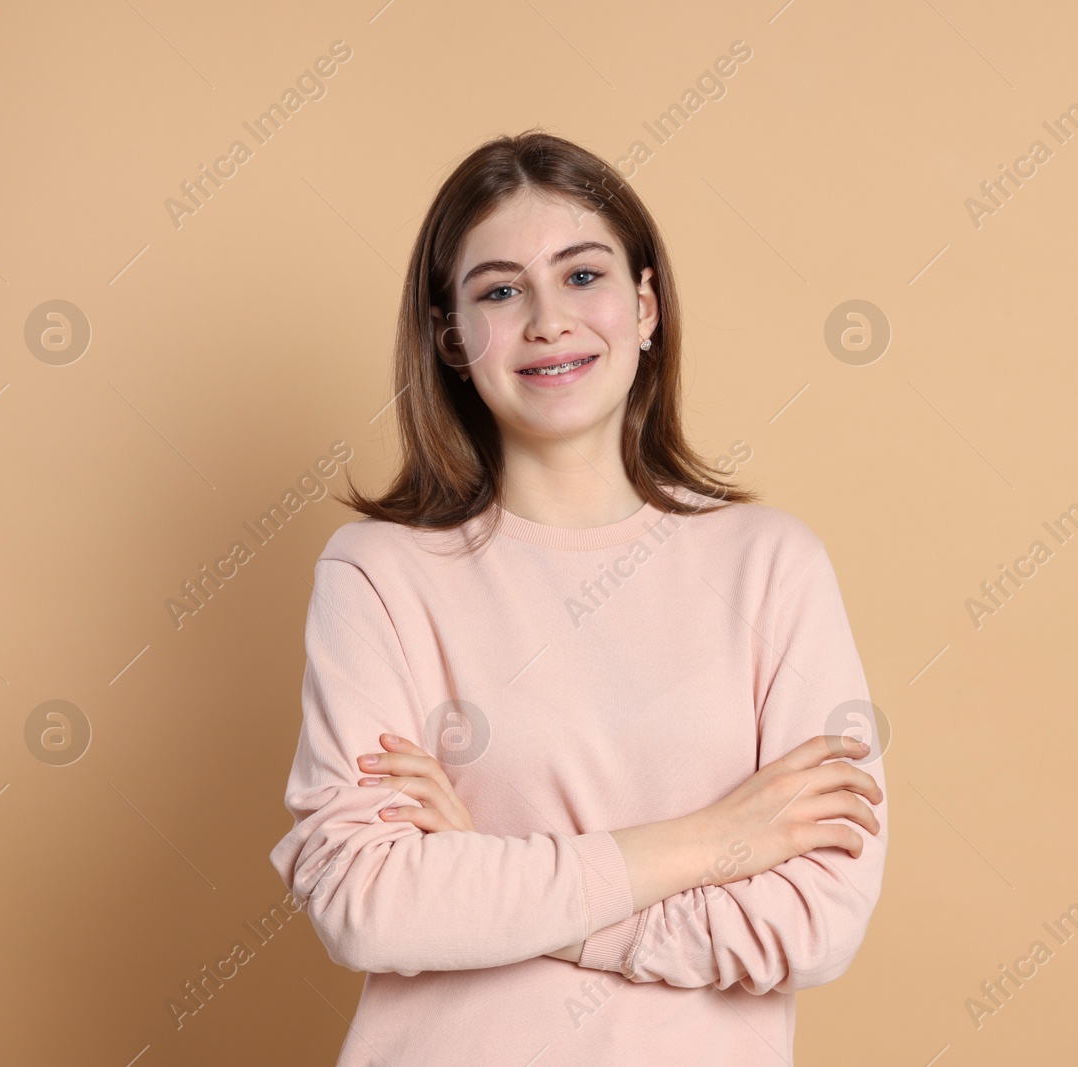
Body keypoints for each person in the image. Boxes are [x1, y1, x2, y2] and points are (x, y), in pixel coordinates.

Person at [269, 128, 887, 1066]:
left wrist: (496, 877)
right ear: (450, 339)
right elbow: (369, 904)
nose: (548, 319)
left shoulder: (772, 566)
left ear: (646, 308)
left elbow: (813, 920)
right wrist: (712, 838)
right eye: (501, 290)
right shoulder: (377, 576)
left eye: (584, 275)